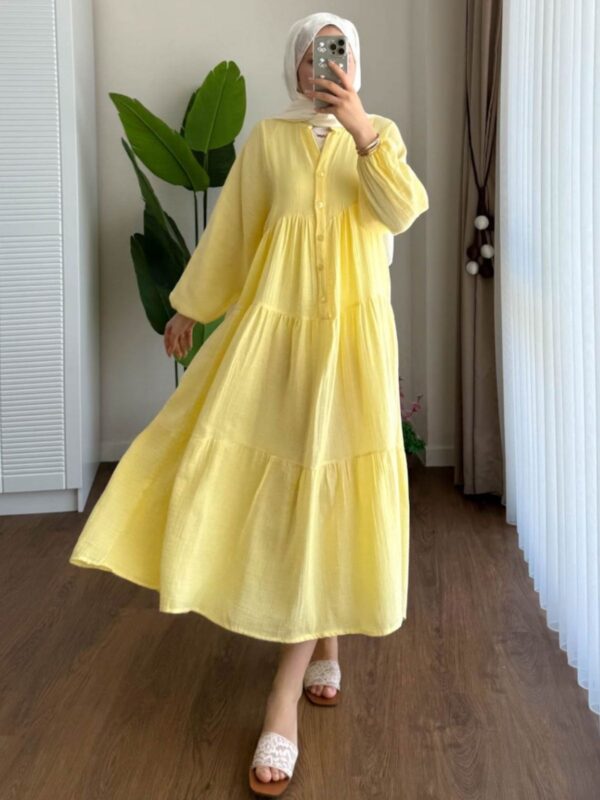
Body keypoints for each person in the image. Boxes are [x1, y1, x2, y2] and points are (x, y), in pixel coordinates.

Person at [69, 11, 429, 797]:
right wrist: (189, 307)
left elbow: (402, 209)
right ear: (294, 67)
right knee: (294, 484)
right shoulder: (267, 141)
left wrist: (360, 126)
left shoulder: (382, 137)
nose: (323, 66)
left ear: (354, 64)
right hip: (279, 339)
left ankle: (283, 695)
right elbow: (232, 236)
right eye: (311, 55)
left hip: (355, 346)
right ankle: (320, 646)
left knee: (334, 482)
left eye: (337, 53)